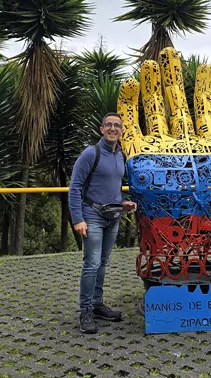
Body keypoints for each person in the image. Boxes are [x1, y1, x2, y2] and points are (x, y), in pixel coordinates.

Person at [69, 112, 137, 334]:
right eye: (108, 125)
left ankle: (97, 305)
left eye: (117, 125)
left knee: (103, 262)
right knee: (92, 263)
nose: (113, 128)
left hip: (113, 216)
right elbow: (75, 188)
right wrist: (78, 219)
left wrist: (123, 203)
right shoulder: (91, 153)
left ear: (122, 131)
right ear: (101, 129)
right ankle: (86, 311)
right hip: (92, 215)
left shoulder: (121, 156)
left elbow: (113, 186)